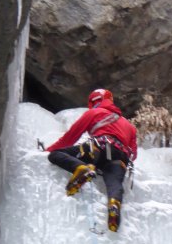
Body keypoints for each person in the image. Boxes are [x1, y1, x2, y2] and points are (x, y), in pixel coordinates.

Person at [46, 88, 137, 232]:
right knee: (114, 182)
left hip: (97, 148)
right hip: (120, 158)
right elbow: (133, 154)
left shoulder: (94, 113)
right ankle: (114, 204)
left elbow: (70, 138)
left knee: (56, 154)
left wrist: (48, 150)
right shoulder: (129, 126)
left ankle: (81, 168)